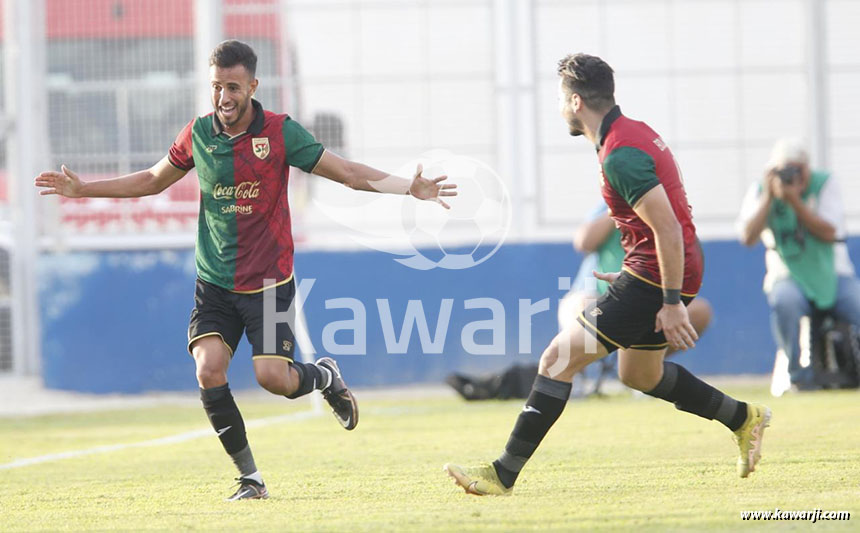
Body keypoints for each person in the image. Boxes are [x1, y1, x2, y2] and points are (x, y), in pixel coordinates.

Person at [35, 40, 456, 501]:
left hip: (270, 283)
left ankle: (324, 377)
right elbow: (153, 180)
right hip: (214, 283)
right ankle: (250, 479)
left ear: (253, 86)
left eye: (233, 87)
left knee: (274, 379)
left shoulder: (279, 132)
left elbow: (348, 172)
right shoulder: (197, 134)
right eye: (216, 87)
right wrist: (82, 189)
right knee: (208, 369)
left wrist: (407, 188)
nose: (223, 97)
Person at [443, 53, 770, 496]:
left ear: (575, 101)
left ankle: (502, 475)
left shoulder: (620, 153)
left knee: (557, 359)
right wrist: (637, 269)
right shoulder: (631, 134)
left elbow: (668, 227)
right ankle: (742, 418)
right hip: (655, 268)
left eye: (561, 99)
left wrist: (670, 301)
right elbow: (662, 222)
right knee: (639, 374)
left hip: (658, 274)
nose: (560, 108)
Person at [737, 139, 860, 390]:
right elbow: (747, 237)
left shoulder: (823, 184)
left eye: (797, 169)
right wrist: (769, 199)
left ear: (807, 168)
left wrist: (795, 202)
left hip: (833, 273)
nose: (792, 176)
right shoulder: (762, 190)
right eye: (785, 170)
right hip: (787, 274)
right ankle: (798, 377)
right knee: (785, 302)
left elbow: (829, 232)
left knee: (856, 304)